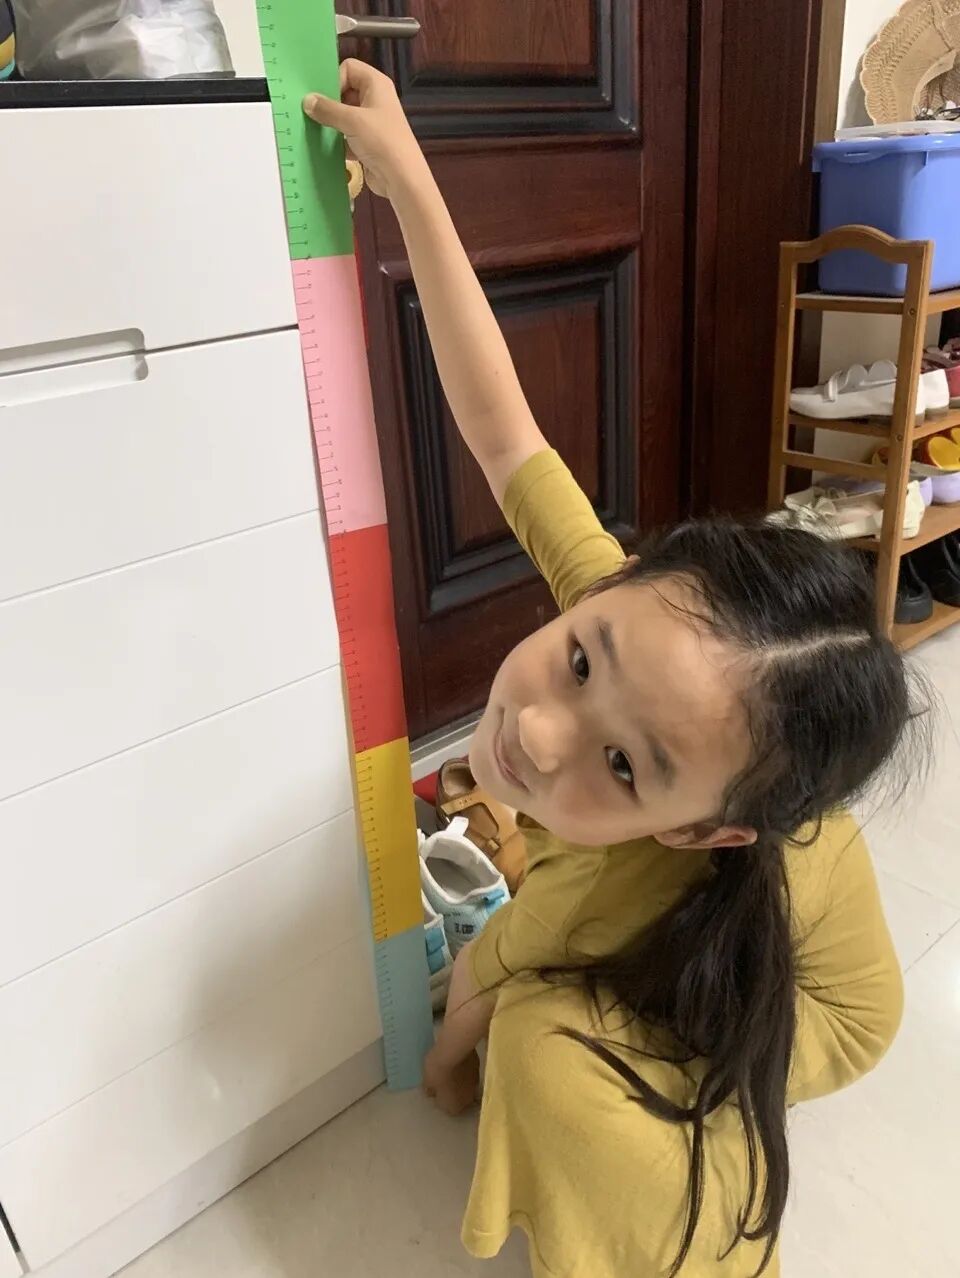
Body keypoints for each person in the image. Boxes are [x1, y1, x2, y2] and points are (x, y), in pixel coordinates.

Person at [304, 62, 927, 1278]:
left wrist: (444, 1074)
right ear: (623, 579)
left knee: (540, 1045)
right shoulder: (634, 611)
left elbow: (478, 994)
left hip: (829, 1013)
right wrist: (411, 182)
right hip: (768, 899)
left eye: (628, 766)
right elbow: (503, 430)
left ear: (704, 832)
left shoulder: (608, 888)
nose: (538, 731)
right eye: (581, 660)